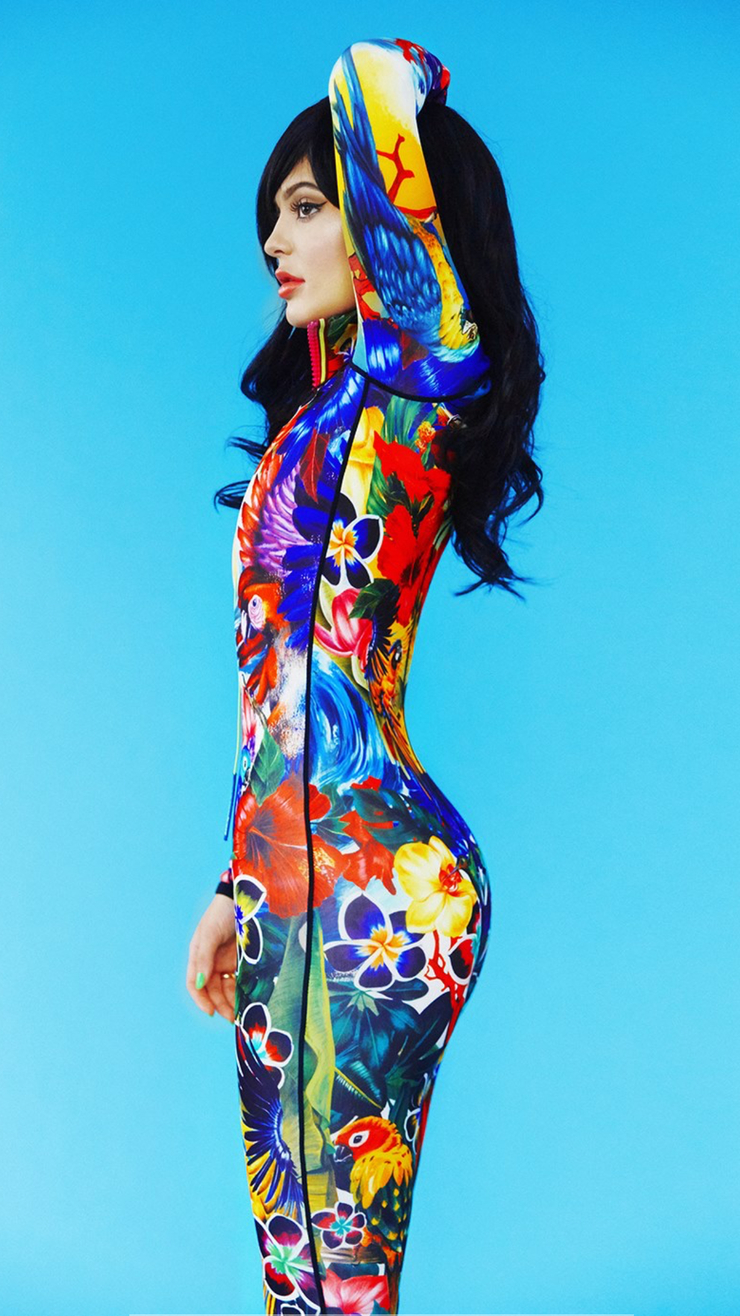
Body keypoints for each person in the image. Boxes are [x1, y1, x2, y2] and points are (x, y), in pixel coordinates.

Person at [186, 36, 545, 1315]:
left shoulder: (426, 375)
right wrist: (232, 883)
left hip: (386, 884)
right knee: (290, 1273)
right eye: (272, 217)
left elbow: (373, 82)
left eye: (306, 206)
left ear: (387, 216)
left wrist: (403, 81)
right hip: (285, 878)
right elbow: (272, 696)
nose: (274, 241)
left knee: (347, 1277)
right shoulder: (315, 425)